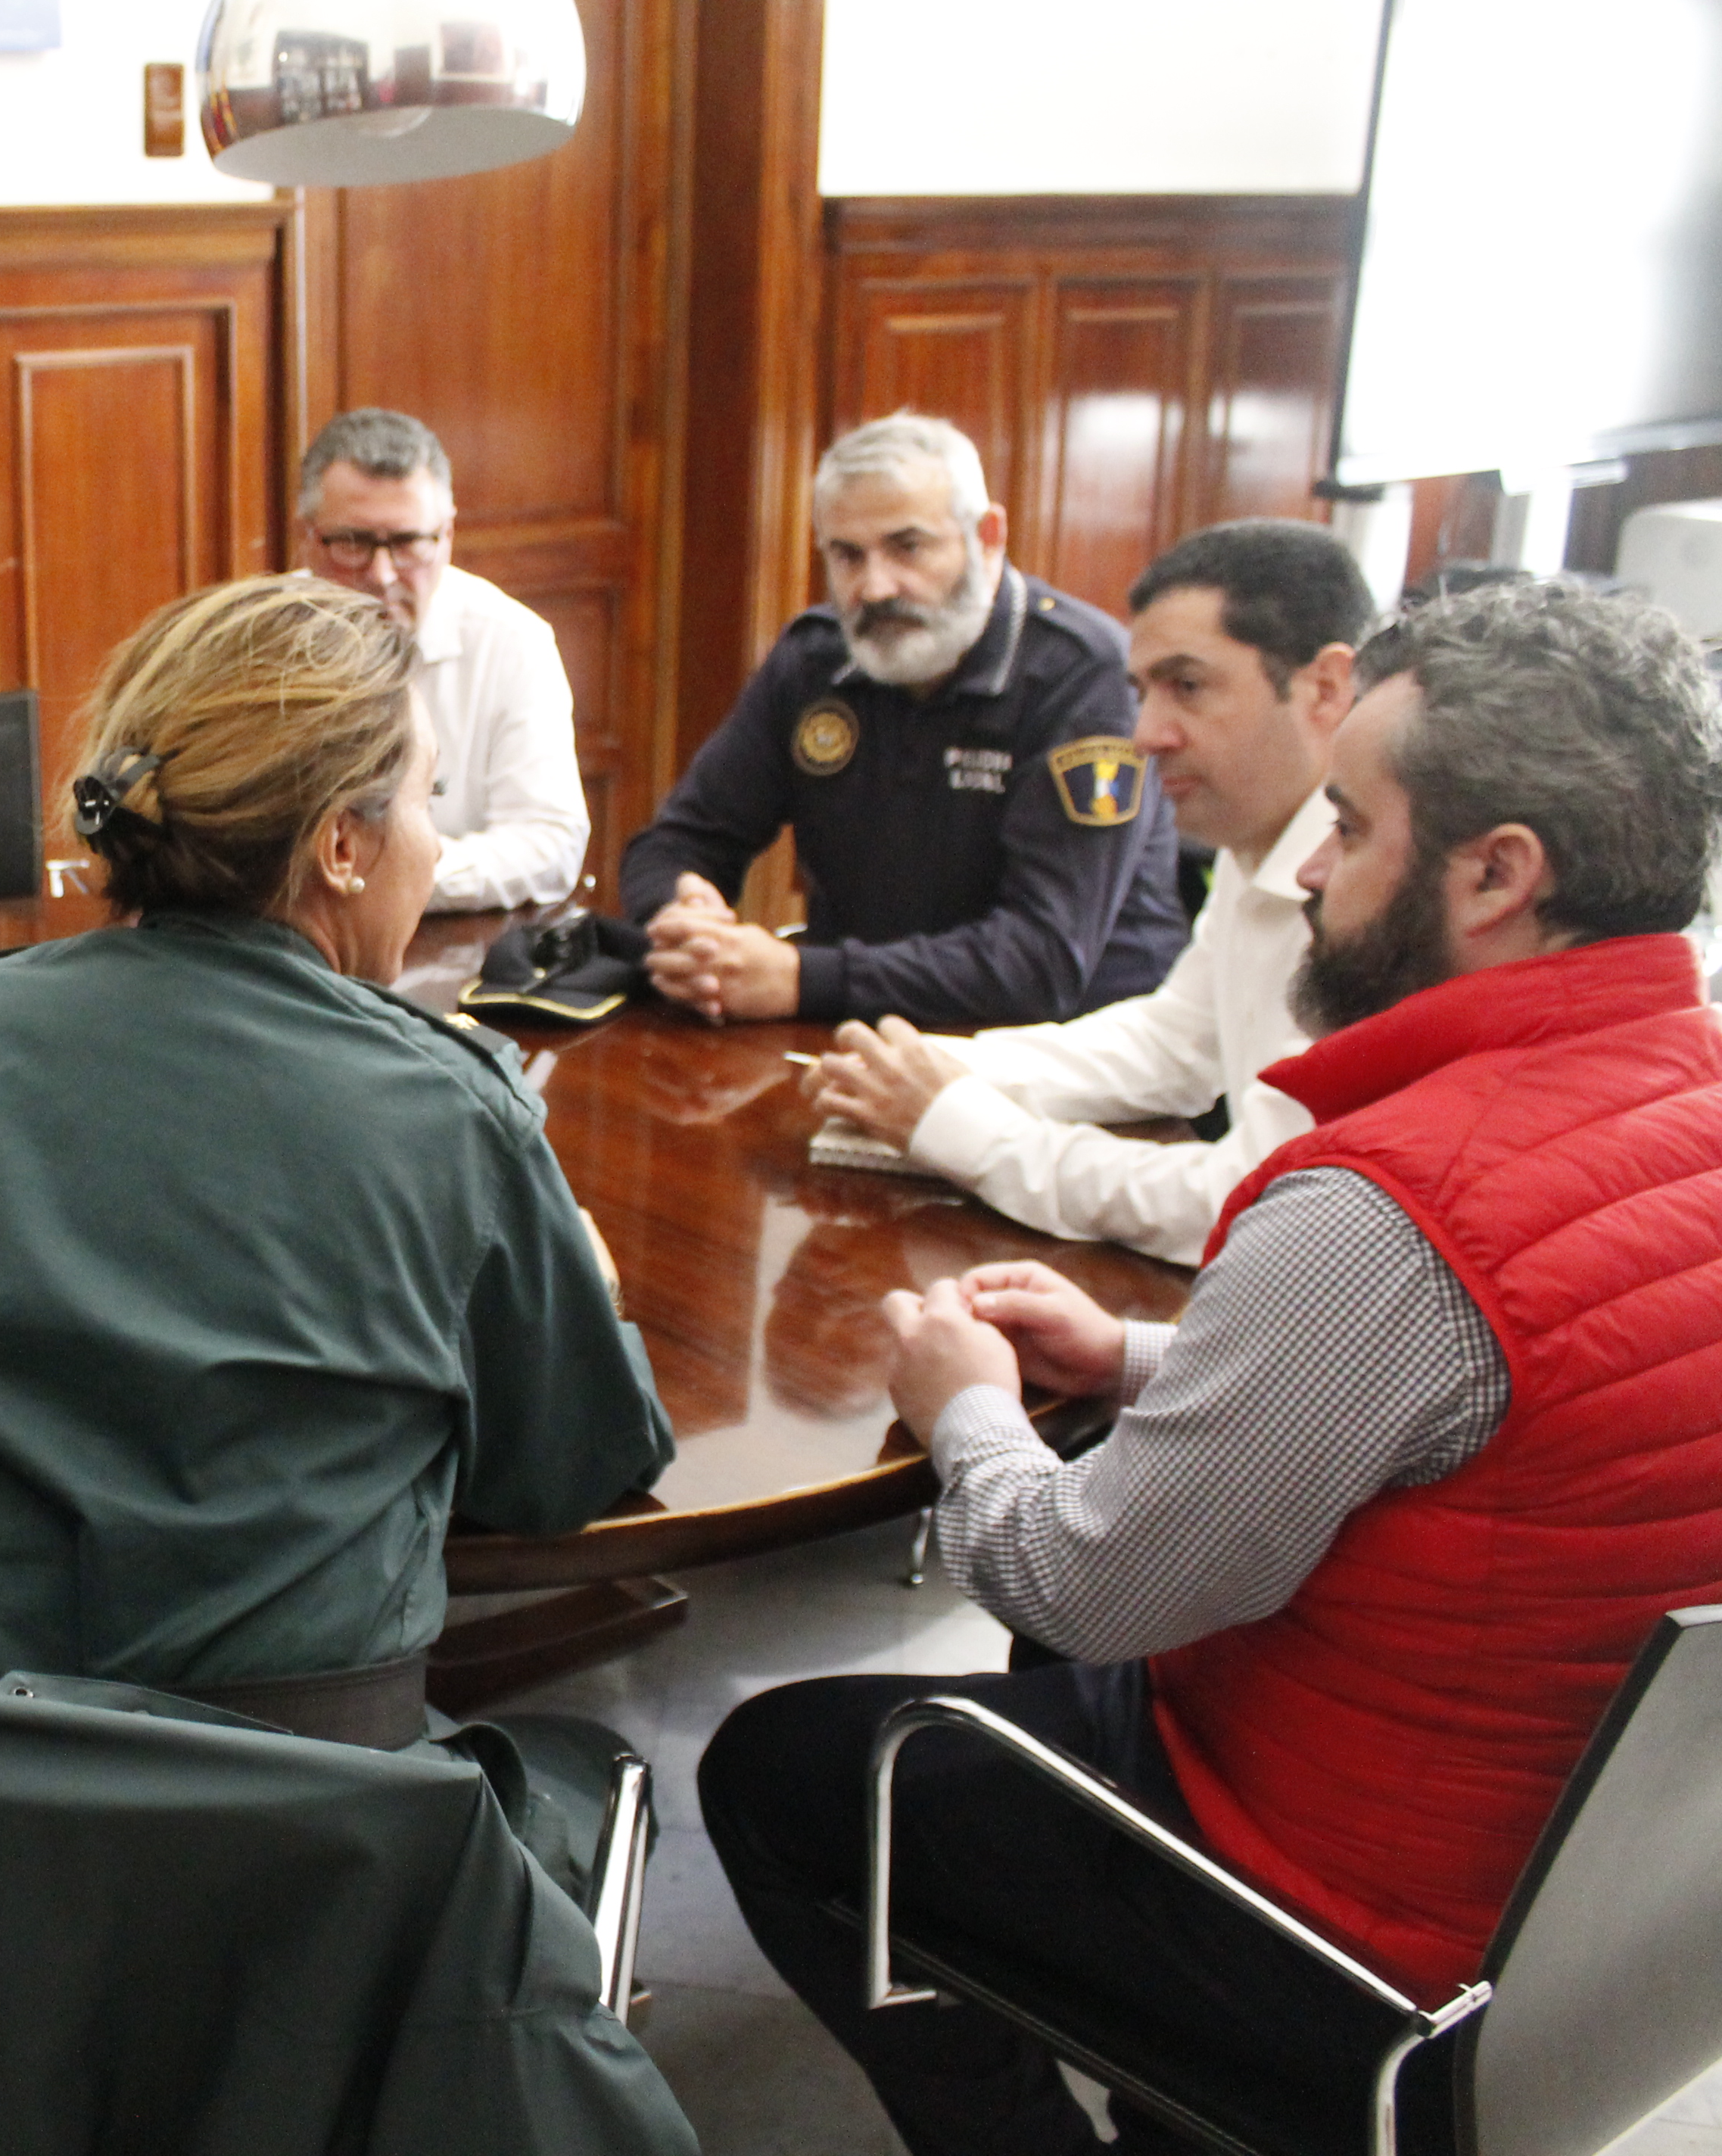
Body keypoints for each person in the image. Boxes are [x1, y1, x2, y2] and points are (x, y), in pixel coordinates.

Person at [700, 578, 1722, 2155]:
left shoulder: (1389, 1212)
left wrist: (962, 1403)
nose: (1306, 871)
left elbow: (1081, 1582)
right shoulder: (1685, 1106)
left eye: (1354, 827)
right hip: (1594, 1931)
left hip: (1346, 1954)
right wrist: (1143, 1351)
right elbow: (1516, 1401)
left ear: (1497, 873)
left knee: (783, 1768)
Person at [0, 575, 677, 1851]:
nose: (436, 845)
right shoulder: (447, 1106)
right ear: (341, 846)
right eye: (425, 802)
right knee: (591, 1766)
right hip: (305, 1848)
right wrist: (581, 1283)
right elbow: (568, 1471)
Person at [803, 519, 1374, 1263]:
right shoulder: (1260, 827)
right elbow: (1174, 1043)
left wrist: (962, 1126)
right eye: (1143, 692)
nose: (1146, 733)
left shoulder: (1382, 886)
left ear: (1325, 687)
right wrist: (938, 1071)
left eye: (1189, 686)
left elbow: (1256, 1196)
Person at [621, 413, 1188, 1027]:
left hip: (1075, 1052)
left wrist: (800, 978)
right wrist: (684, 913)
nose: (875, 587)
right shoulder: (815, 659)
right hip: (866, 1025)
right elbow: (677, 841)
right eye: (847, 556)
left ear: (988, 536)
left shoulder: (1085, 675)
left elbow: (1040, 962)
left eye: (908, 547)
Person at [297, 407, 590, 911]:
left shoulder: (513, 642)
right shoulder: (255, 640)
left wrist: (388, 879)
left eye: (408, 543)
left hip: (453, 944)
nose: (383, 574)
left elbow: (549, 845)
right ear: (308, 535)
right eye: (352, 543)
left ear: (448, 535)